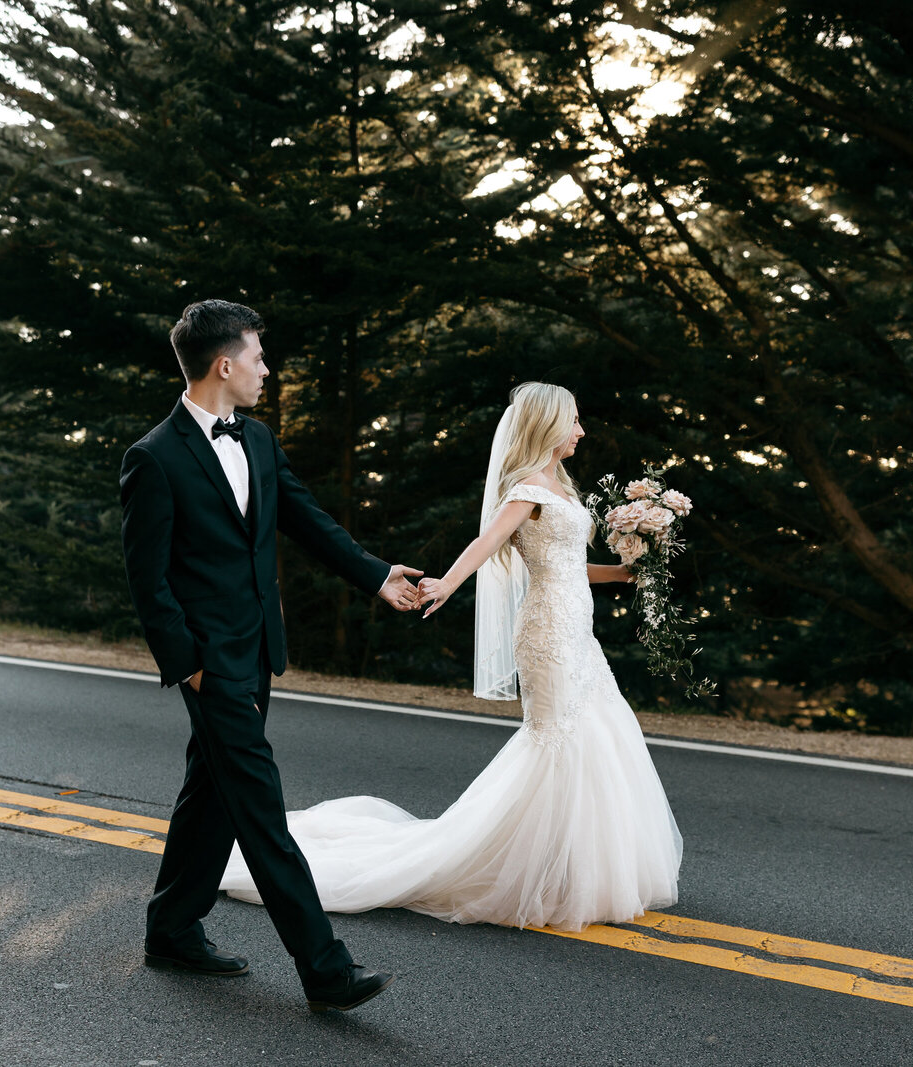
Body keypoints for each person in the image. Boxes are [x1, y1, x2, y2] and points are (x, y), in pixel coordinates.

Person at [219, 381, 683, 930]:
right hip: (547, 634)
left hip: (578, 631)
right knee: (557, 741)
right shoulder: (525, 489)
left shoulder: (560, 485)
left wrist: (627, 573)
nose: (582, 431)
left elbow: (567, 568)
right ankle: (525, 869)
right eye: (574, 421)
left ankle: (572, 866)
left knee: (597, 734)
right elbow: (485, 545)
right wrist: (446, 583)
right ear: (547, 424)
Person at [118, 299, 424, 1012]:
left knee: (213, 788)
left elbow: (306, 518)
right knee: (260, 807)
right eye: (258, 356)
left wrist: (377, 574)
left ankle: (170, 926)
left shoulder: (256, 440)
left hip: (257, 652)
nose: (266, 368)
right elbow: (148, 579)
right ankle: (325, 968)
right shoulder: (154, 457)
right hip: (210, 662)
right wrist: (188, 663)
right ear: (224, 364)